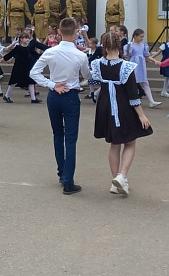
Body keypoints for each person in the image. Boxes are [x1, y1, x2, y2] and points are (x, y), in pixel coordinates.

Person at [29, 17, 91, 195]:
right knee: (70, 138)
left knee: (58, 134)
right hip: (70, 95)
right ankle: (68, 181)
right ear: (76, 32)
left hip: (54, 95)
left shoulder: (51, 52)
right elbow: (87, 75)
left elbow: (34, 72)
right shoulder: (80, 55)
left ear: (59, 32)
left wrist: (51, 84)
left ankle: (62, 172)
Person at [91, 30, 153, 196]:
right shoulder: (126, 67)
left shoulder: (97, 64)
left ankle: (115, 180)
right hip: (122, 106)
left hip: (105, 106)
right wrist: (141, 115)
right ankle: (122, 176)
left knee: (114, 143)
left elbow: (94, 82)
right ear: (119, 45)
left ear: (104, 46)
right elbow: (133, 95)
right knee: (130, 142)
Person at [123, 29, 162, 108]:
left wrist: (155, 60)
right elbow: (126, 57)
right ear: (135, 36)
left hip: (141, 66)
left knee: (145, 82)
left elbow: (146, 56)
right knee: (132, 83)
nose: (142, 38)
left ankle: (151, 101)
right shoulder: (129, 46)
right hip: (133, 65)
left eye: (142, 37)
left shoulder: (143, 45)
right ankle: (129, 100)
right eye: (141, 37)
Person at [0, 33, 36, 104]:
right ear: (21, 39)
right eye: (25, 38)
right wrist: (1, 59)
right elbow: (10, 54)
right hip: (18, 67)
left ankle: (33, 98)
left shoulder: (29, 48)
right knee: (14, 81)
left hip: (27, 67)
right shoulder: (18, 48)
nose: (27, 39)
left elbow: (35, 55)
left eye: (28, 38)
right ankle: (7, 96)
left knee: (31, 81)